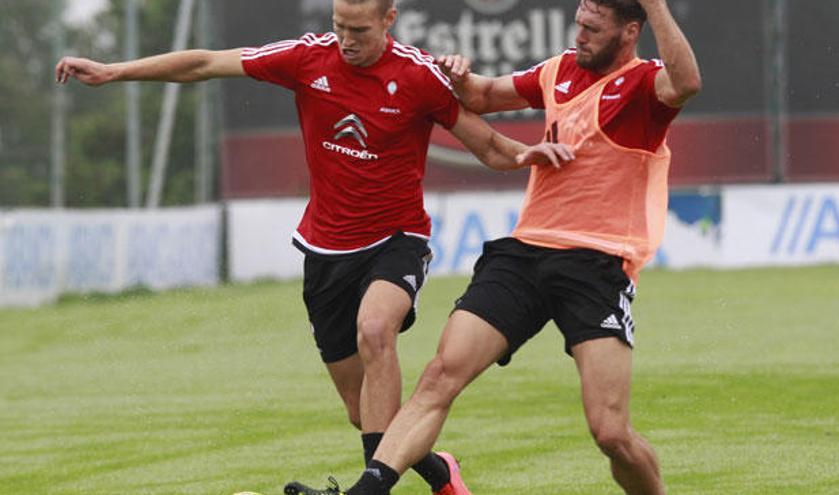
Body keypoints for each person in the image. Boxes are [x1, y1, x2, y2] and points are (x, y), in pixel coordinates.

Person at [55, 1, 572, 494]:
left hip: (397, 240)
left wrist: (532, 155)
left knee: (376, 329)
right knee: (363, 412)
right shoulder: (307, 58)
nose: (346, 40)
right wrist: (113, 71)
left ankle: (372, 489)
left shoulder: (418, 76)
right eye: (339, 26)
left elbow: (486, 146)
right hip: (325, 250)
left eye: (360, 30)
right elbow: (206, 63)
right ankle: (439, 473)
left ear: (388, 19)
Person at [289, 0, 701, 494]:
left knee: (610, 432)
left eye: (592, 28)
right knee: (440, 375)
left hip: (597, 265)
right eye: (578, 24)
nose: (580, 35)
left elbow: (687, 83)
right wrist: (458, 75)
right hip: (524, 254)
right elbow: (482, 95)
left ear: (630, 31)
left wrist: (656, 5)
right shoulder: (559, 70)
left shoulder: (644, 85)